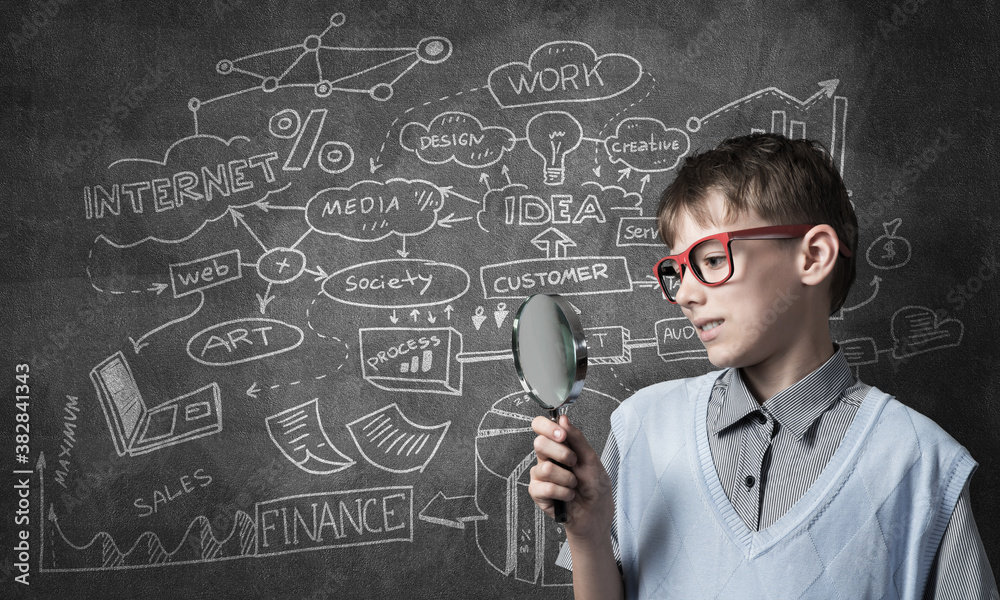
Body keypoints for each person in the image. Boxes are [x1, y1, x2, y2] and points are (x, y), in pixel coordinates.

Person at [528, 133, 998, 599]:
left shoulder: (921, 463)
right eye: (677, 272)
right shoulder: (641, 427)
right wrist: (587, 534)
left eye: (712, 259)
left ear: (813, 256)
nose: (687, 294)